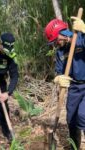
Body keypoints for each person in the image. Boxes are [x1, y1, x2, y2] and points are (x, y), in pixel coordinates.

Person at [45, 17, 85, 149]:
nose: (55, 44)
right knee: (71, 119)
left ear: (61, 35)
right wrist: (58, 78)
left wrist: (84, 31)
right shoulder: (60, 51)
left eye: (55, 40)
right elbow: (59, 71)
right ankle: (75, 147)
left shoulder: (80, 38)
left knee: (82, 116)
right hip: (74, 87)